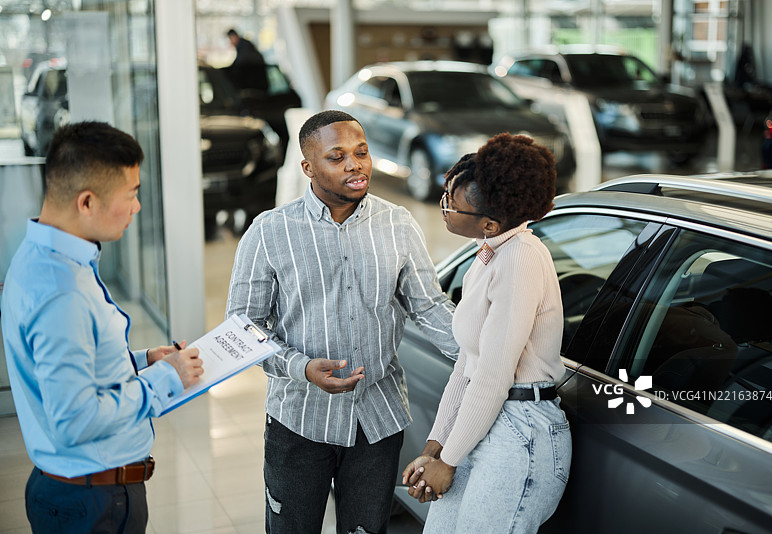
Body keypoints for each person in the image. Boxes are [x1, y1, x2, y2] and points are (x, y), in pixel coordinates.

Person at [225, 109, 459, 534]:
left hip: (378, 419)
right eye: (337, 157)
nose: (355, 164)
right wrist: (302, 368)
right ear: (308, 167)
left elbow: (429, 306)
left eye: (362, 152)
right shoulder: (269, 232)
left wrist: (488, 351)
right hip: (299, 422)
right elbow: (243, 329)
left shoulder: (398, 223)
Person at [0, 121, 204, 534]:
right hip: (93, 508)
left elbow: (71, 358)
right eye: (130, 194)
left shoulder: (42, 253)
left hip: (80, 496)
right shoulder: (62, 289)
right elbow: (75, 419)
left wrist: (145, 360)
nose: (137, 207)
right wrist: (166, 378)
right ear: (87, 202)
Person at [402, 133, 571, 533]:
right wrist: (436, 447)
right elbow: (468, 364)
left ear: (490, 222)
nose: (444, 208)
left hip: (521, 432)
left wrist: (449, 460)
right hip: (483, 424)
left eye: (452, 204)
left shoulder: (520, 259)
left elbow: (494, 375)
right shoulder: (488, 255)